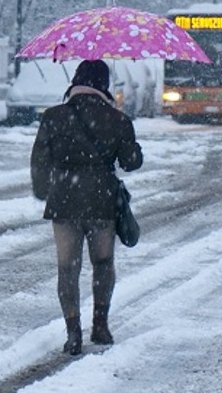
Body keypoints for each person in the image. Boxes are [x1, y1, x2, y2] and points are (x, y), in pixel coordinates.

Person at [30, 59, 143, 355]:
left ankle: (73, 333)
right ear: (104, 85)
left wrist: (44, 191)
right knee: (103, 264)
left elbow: (39, 159)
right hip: (101, 202)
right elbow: (132, 162)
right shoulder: (117, 120)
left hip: (64, 203)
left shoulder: (53, 117)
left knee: (67, 268)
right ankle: (101, 325)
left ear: (76, 81)